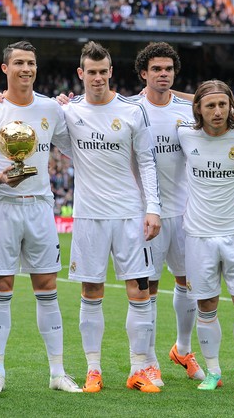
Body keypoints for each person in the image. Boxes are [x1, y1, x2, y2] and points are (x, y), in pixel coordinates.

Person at [0, 40, 81, 394]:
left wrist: (74, 109)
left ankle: (57, 372)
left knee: (47, 289)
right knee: (2, 288)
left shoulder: (50, 108)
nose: (26, 69)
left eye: (31, 62)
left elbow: (72, 145)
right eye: (18, 63)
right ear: (5, 68)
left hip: (40, 207)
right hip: (2, 207)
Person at [61, 41, 162, 394]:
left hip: (129, 213)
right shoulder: (69, 113)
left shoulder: (133, 111)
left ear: (111, 73)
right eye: (92, 72)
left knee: (139, 289)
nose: (98, 77)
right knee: (91, 290)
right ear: (81, 74)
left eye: (104, 71)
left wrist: (153, 208)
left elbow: (147, 162)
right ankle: (93, 369)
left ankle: (139, 368)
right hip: (89, 215)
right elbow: (49, 134)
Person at [177, 80, 234, 392]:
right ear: (198, 108)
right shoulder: (185, 134)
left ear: (231, 107)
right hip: (198, 235)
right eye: (210, 105)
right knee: (207, 304)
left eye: (222, 105)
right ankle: (213, 371)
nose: (217, 111)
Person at [133, 42, 204, 385]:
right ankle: (149, 360)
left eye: (168, 69)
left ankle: (183, 349)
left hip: (185, 211)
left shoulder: (190, 109)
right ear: (144, 73)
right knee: (147, 287)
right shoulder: (131, 108)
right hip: (146, 213)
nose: (163, 74)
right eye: (156, 69)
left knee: (188, 283)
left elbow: (226, 103)